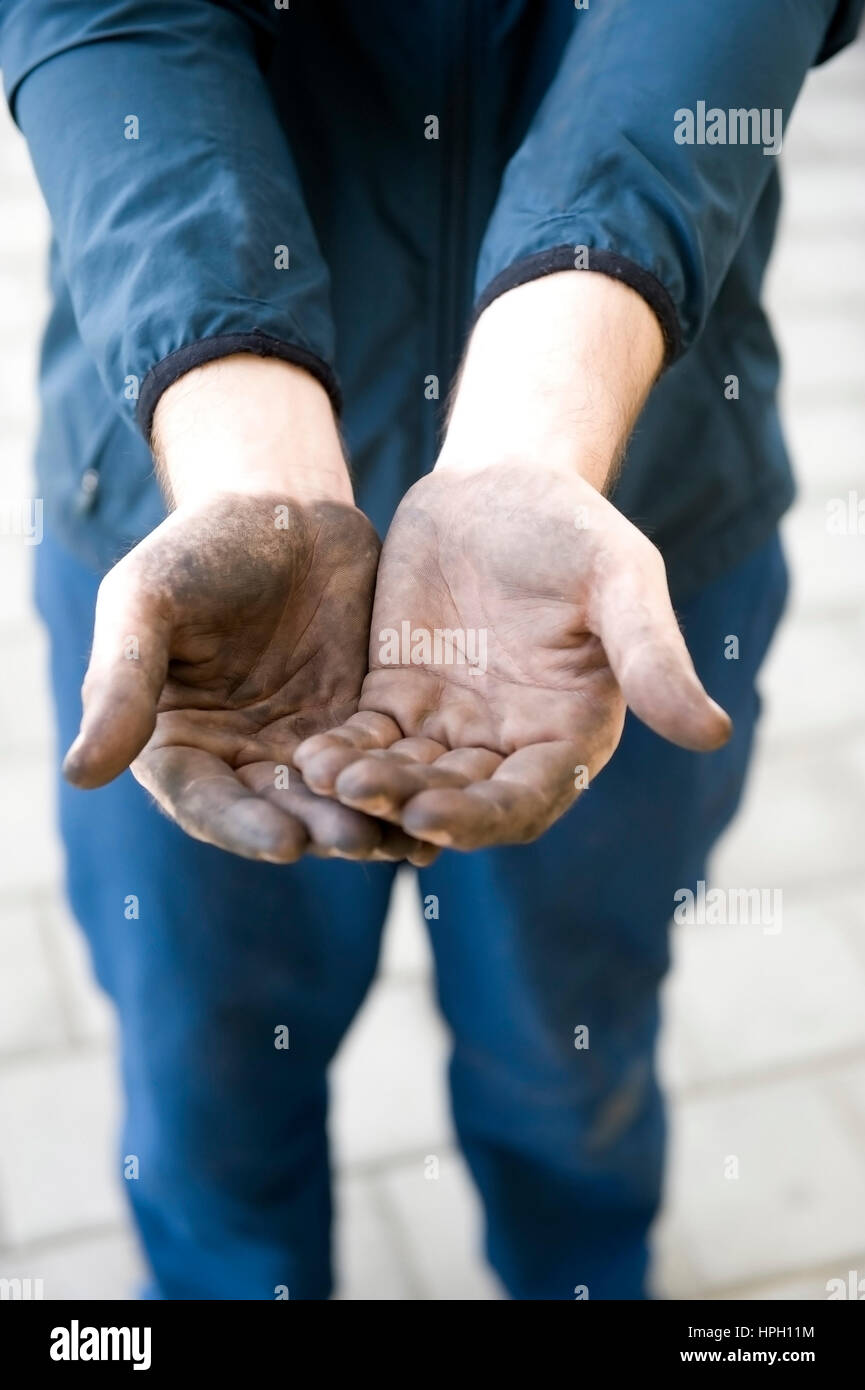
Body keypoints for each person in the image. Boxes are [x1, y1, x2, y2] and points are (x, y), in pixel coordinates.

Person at [1, 0, 860, 1300]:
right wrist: (239, 434)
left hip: (618, 546)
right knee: (205, 1092)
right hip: (182, 533)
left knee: (569, 1071)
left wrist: (545, 407)